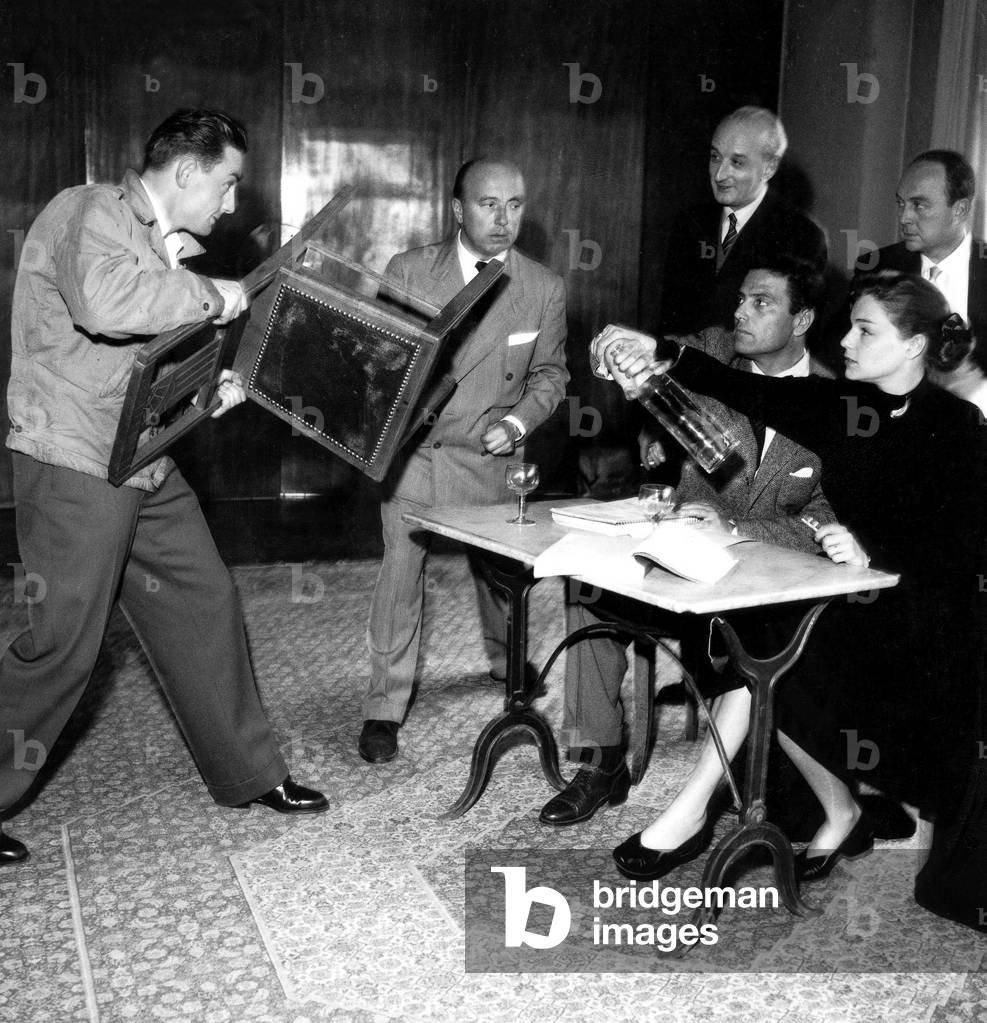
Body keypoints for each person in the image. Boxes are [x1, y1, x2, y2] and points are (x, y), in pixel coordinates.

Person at [0, 109, 328, 866]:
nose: (229, 203)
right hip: (76, 456)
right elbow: (106, 306)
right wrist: (209, 296)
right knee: (63, 645)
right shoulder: (89, 210)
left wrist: (206, 393)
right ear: (185, 172)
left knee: (203, 597)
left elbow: (144, 363)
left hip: (144, 452)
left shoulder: (160, 246)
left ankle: (249, 773)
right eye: (226, 182)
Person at [596, 272, 985, 909]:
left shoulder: (958, 422)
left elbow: (965, 542)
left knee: (776, 652)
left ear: (915, 346)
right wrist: (656, 349)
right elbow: (736, 383)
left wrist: (873, 552)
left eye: (865, 331)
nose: (847, 342)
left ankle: (712, 813)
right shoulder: (843, 407)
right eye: (849, 326)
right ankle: (833, 813)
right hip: (854, 598)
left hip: (930, 618)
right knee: (762, 643)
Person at [539, 255, 834, 828]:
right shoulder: (714, 352)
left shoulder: (832, 401)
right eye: (741, 299)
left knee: (766, 784)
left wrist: (737, 530)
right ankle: (600, 762)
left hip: (763, 592)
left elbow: (825, 522)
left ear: (802, 321)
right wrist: (616, 353)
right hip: (679, 562)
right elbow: (648, 351)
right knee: (587, 592)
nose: (740, 313)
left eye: (761, 303)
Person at [360, 158, 568, 764]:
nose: (504, 219)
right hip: (418, 452)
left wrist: (517, 422)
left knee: (500, 574)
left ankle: (508, 660)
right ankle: (383, 706)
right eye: (487, 204)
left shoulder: (542, 286)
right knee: (400, 574)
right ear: (457, 209)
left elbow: (551, 374)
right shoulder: (409, 272)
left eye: (516, 205)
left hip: (491, 451)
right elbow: (383, 361)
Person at [659, 106, 827, 336]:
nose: (719, 174)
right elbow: (669, 316)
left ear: (769, 167)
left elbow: (792, 335)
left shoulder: (802, 235)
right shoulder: (689, 221)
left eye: (737, 163)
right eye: (715, 157)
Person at [860, 150, 987, 338]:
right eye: (901, 203)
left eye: (919, 205)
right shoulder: (875, 267)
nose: (904, 218)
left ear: (960, 210)